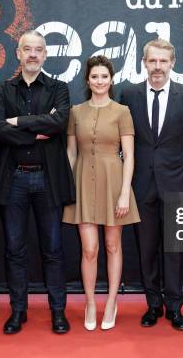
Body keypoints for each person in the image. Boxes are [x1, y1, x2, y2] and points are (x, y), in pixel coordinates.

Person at [0, 30, 75, 334]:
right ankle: (18, 311)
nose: (33, 54)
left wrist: (18, 122)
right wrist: (37, 127)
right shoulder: (2, 90)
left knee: (53, 250)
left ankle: (58, 312)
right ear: (18, 54)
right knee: (14, 250)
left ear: (45, 55)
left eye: (39, 49)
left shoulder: (59, 88)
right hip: (13, 181)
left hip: (47, 180)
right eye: (28, 49)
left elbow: (59, 123)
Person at [121, 38, 183, 330]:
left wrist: (176, 169)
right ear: (144, 62)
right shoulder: (128, 94)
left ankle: (175, 307)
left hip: (174, 184)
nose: (157, 67)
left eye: (163, 61)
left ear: (172, 63)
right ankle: (153, 305)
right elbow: (125, 139)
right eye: (152, 61)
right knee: (147, 249)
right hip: (141, 185)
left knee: (174, 249)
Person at [63, 56, 140, 331]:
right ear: (87, 80)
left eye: (104, 77)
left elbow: (129, 156)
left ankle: (110, 302)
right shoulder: (75, 112)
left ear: (111, 80)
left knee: (112, 245)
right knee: (89, 249)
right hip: (83, 183)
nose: (99, 81)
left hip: (113, 183)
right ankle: (90, 302)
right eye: (94, 77)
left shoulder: (122, 111)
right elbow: (71, 153)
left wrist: (123, 194)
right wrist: (70, 188)